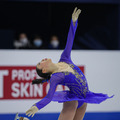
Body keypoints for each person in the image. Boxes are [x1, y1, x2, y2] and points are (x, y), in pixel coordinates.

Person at [26, 7, 113, 120]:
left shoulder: (65, 58)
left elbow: (70, 39)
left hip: (84, 100)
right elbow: (49, 97)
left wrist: (73, 23)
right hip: (71, 101)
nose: (42, 59)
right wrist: (36, 106)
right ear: (44, 70)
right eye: (40, 63)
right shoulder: (56, 77)